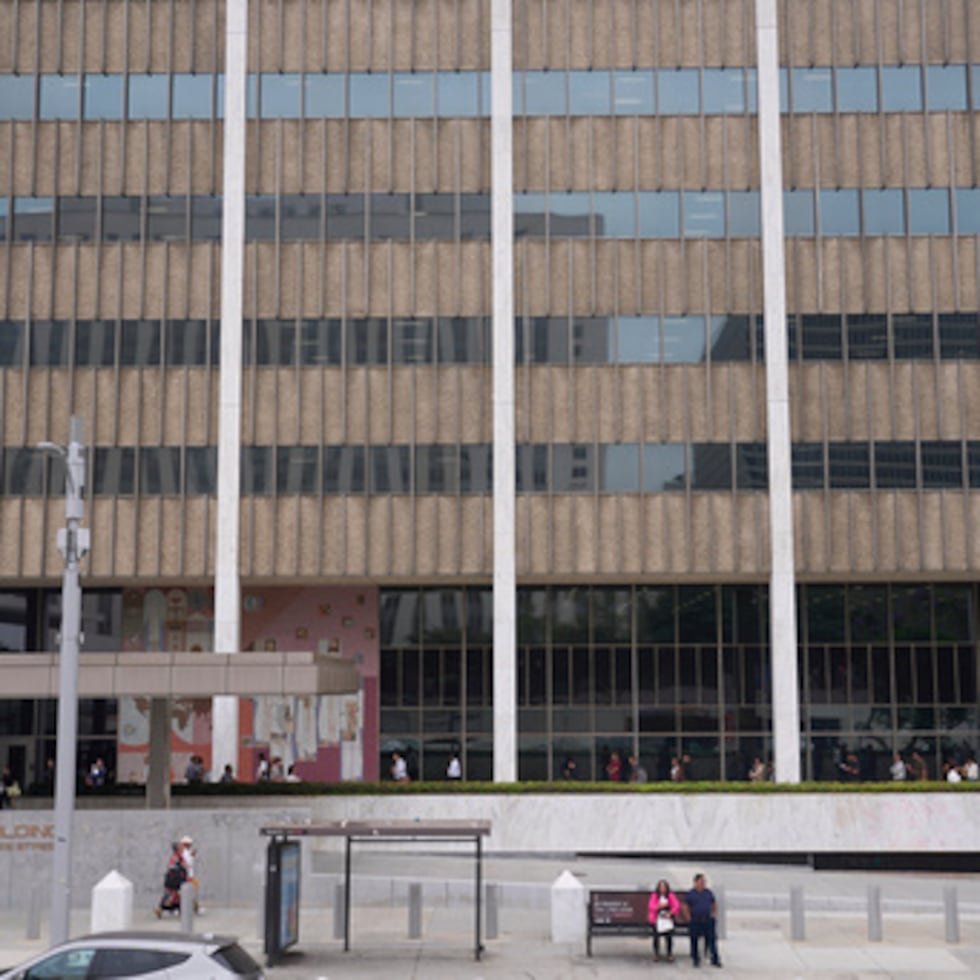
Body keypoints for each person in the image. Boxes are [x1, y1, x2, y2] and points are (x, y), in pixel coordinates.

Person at [685, 873, 722, 968]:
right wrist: (689, 917)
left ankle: (715, 959)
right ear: (696, 882)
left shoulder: (708, 892)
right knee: (694, 940)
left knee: (712, 939)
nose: (703, 883)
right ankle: (695, 959)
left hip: (708, 919)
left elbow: (714, 903)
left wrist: (713, 914)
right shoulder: (691, 893)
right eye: (701, 881)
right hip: (695, 919)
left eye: (704, 881)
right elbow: (685, 906)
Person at [648, 878, 681, 963]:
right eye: (661, 887)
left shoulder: (670, 895)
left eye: (664, 887)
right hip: (656, 918)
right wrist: (659, 906)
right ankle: (656, 954)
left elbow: (676, 906)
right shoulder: (654, 895)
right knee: (656, 935)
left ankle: (669, 953)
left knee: (669, 935)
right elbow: (651, 906)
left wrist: (670, 913)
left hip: (667, 917)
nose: (662, 889)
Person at [154, 842, 188, 918]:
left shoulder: (179, 857)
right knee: (171, 895)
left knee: (178, 897)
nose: (183, 848)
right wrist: (182, 868)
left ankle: (179, 912)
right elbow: (174, 869)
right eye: (181, 847)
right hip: (175, 881)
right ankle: (160, 909)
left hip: (178, 880)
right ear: (177, 849)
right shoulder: (175, 858)